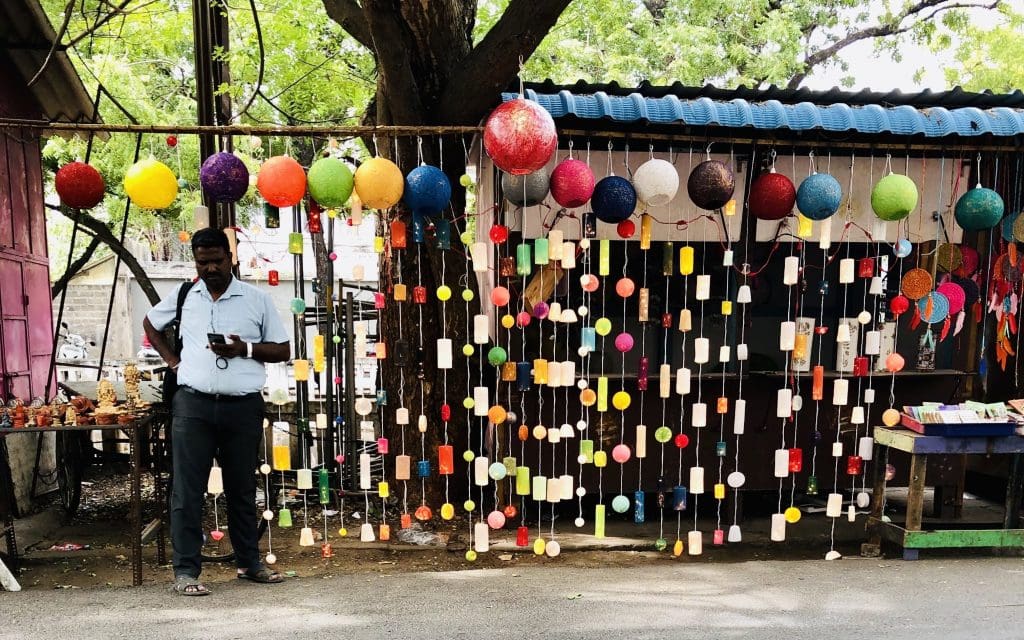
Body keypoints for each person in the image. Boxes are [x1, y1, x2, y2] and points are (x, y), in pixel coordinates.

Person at [143, 227, 290, 596]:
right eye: (202, 262)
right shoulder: (183, 295)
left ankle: (249, 563)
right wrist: (173, 362)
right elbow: (151, 324)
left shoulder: (256, 299)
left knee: (241, 488)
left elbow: (283, 350)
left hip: (242, 407)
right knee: (187, 491)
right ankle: (187, 572)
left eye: (216, 261)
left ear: (231, 257)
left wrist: (246, 350)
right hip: (193, 405)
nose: (209, 268)